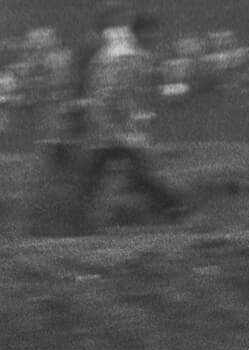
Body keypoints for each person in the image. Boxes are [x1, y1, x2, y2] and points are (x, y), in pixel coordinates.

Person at [74, 10, 188, 230]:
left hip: (112, 124)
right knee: (125, 172)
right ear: (142, 32)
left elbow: (126, 90)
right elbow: (111, 91)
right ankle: (175, 209)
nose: (156, 38)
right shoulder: (126, 55)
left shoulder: (128, 50)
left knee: (99, 173)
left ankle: (74, 217)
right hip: (112, 123)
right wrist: (117, 123)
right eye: (152, 33)